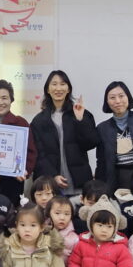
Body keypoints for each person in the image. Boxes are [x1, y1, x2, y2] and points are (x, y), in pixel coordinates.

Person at [30, 70, 97, 199]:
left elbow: (91, 143)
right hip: (51, 187)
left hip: (79, 182)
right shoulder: (39, 120)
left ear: (68, 89)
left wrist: (80, 120)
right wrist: (52, 176)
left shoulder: (81, 113)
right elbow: (39, 154)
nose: (58, 88)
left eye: (62, 84)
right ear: (48, 89)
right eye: (54, 84)